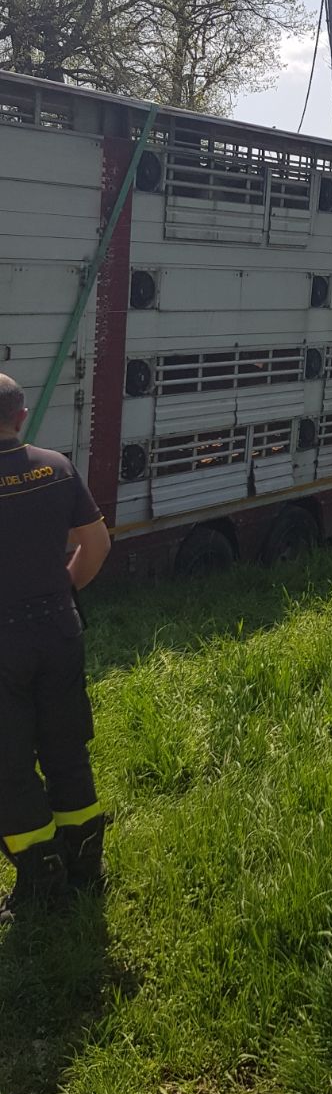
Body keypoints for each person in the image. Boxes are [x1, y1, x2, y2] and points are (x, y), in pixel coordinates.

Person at [0, 373, 111, 924]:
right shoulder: (58, 467)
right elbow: (96, 545)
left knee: (10, 761)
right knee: (67, 745)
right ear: (21, 417)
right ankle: (86, 861)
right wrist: (64, 589)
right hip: (59, 630)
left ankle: (41, 875)